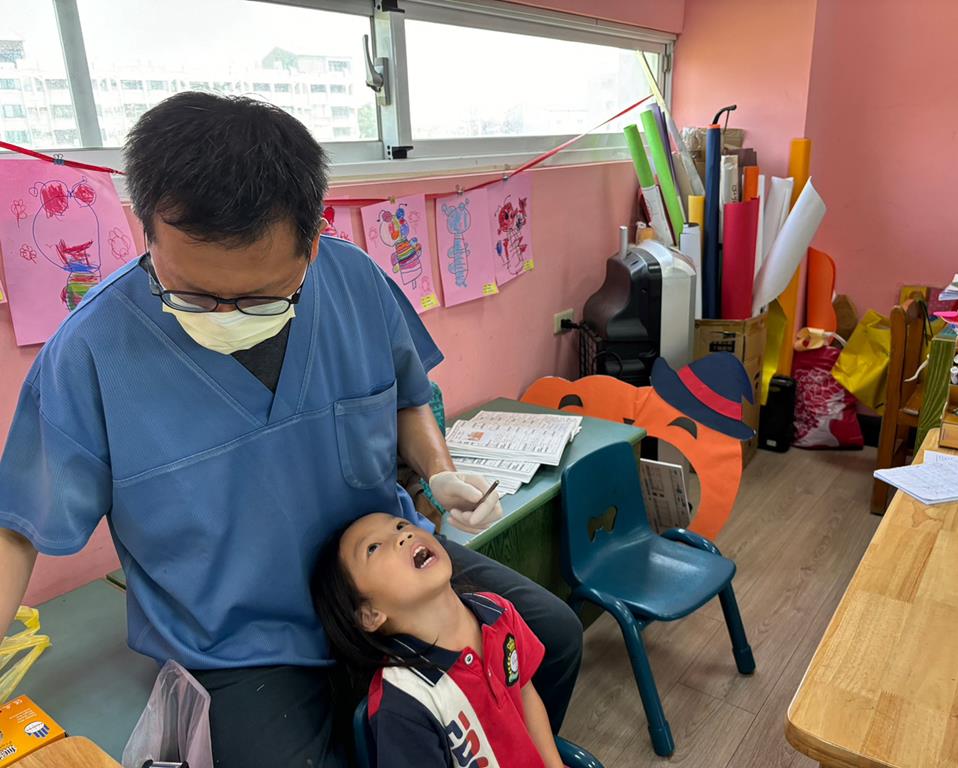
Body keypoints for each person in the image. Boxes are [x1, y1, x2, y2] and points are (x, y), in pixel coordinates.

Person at [0, 92, 582, 767]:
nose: (225, 317)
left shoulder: (355, 282)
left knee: (553, 636)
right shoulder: (90, 353)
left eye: (259, 297)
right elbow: (19, 526)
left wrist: (438, 471)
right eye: (191, 294)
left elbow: (406, 395)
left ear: (312, 243)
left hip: (379, 573)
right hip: (237, 639)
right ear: (147, 229)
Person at [312, 513, 563, 768]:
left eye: (400, 525)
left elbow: (526, 694)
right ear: (370, 615)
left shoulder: (498, 611)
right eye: (373, 548)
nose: (403, 535)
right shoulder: (404, 701)